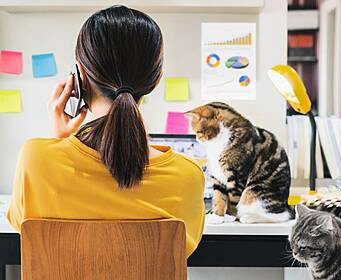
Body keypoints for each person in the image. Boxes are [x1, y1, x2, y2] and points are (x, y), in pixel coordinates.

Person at [7, 5, 205, 258]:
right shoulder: (187, 176)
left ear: (78, 76)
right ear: (156, 79)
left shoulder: (35, 159)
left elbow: (23, 225)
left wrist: (61, 142)